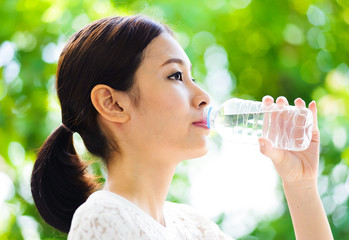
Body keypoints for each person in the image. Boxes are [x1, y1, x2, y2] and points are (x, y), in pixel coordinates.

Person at [30, 15, 333, 239]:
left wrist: (301, 187)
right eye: (176, 76)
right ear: (112, 103)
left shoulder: (195, 227)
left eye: (194, 78)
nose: (204, 97)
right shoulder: (103, 219)